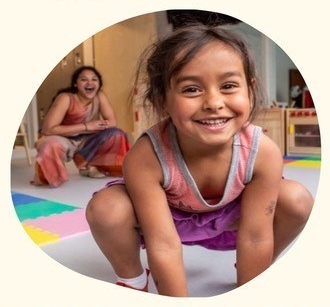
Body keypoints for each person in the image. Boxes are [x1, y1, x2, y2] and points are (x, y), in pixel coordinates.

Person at [85, 25, 314, 296]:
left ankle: (251, 273)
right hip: (164, 222)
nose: (214, 102)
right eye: (192, 89)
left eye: (228, 86)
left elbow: (256, 236)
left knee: (298, 200)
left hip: (234, 220)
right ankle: (133, 279)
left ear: (249, 91)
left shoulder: (262, 152)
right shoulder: (146, 156)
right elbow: (164, 245)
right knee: (106, 208)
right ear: (163, 99)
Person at [33, 66, 130, 188]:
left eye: (94, 79)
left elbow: (112, 122)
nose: (90, 82)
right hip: (63, 137)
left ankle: (91, 166)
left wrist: (96, 126)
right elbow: (48, 129)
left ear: (99, 84)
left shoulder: (99, 96)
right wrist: (86, 126)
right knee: (49, 145)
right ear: (75, 84)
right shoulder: (65, 98)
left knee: (116, 134)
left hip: (87, 138)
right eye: (84, 79)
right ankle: (51, 177)